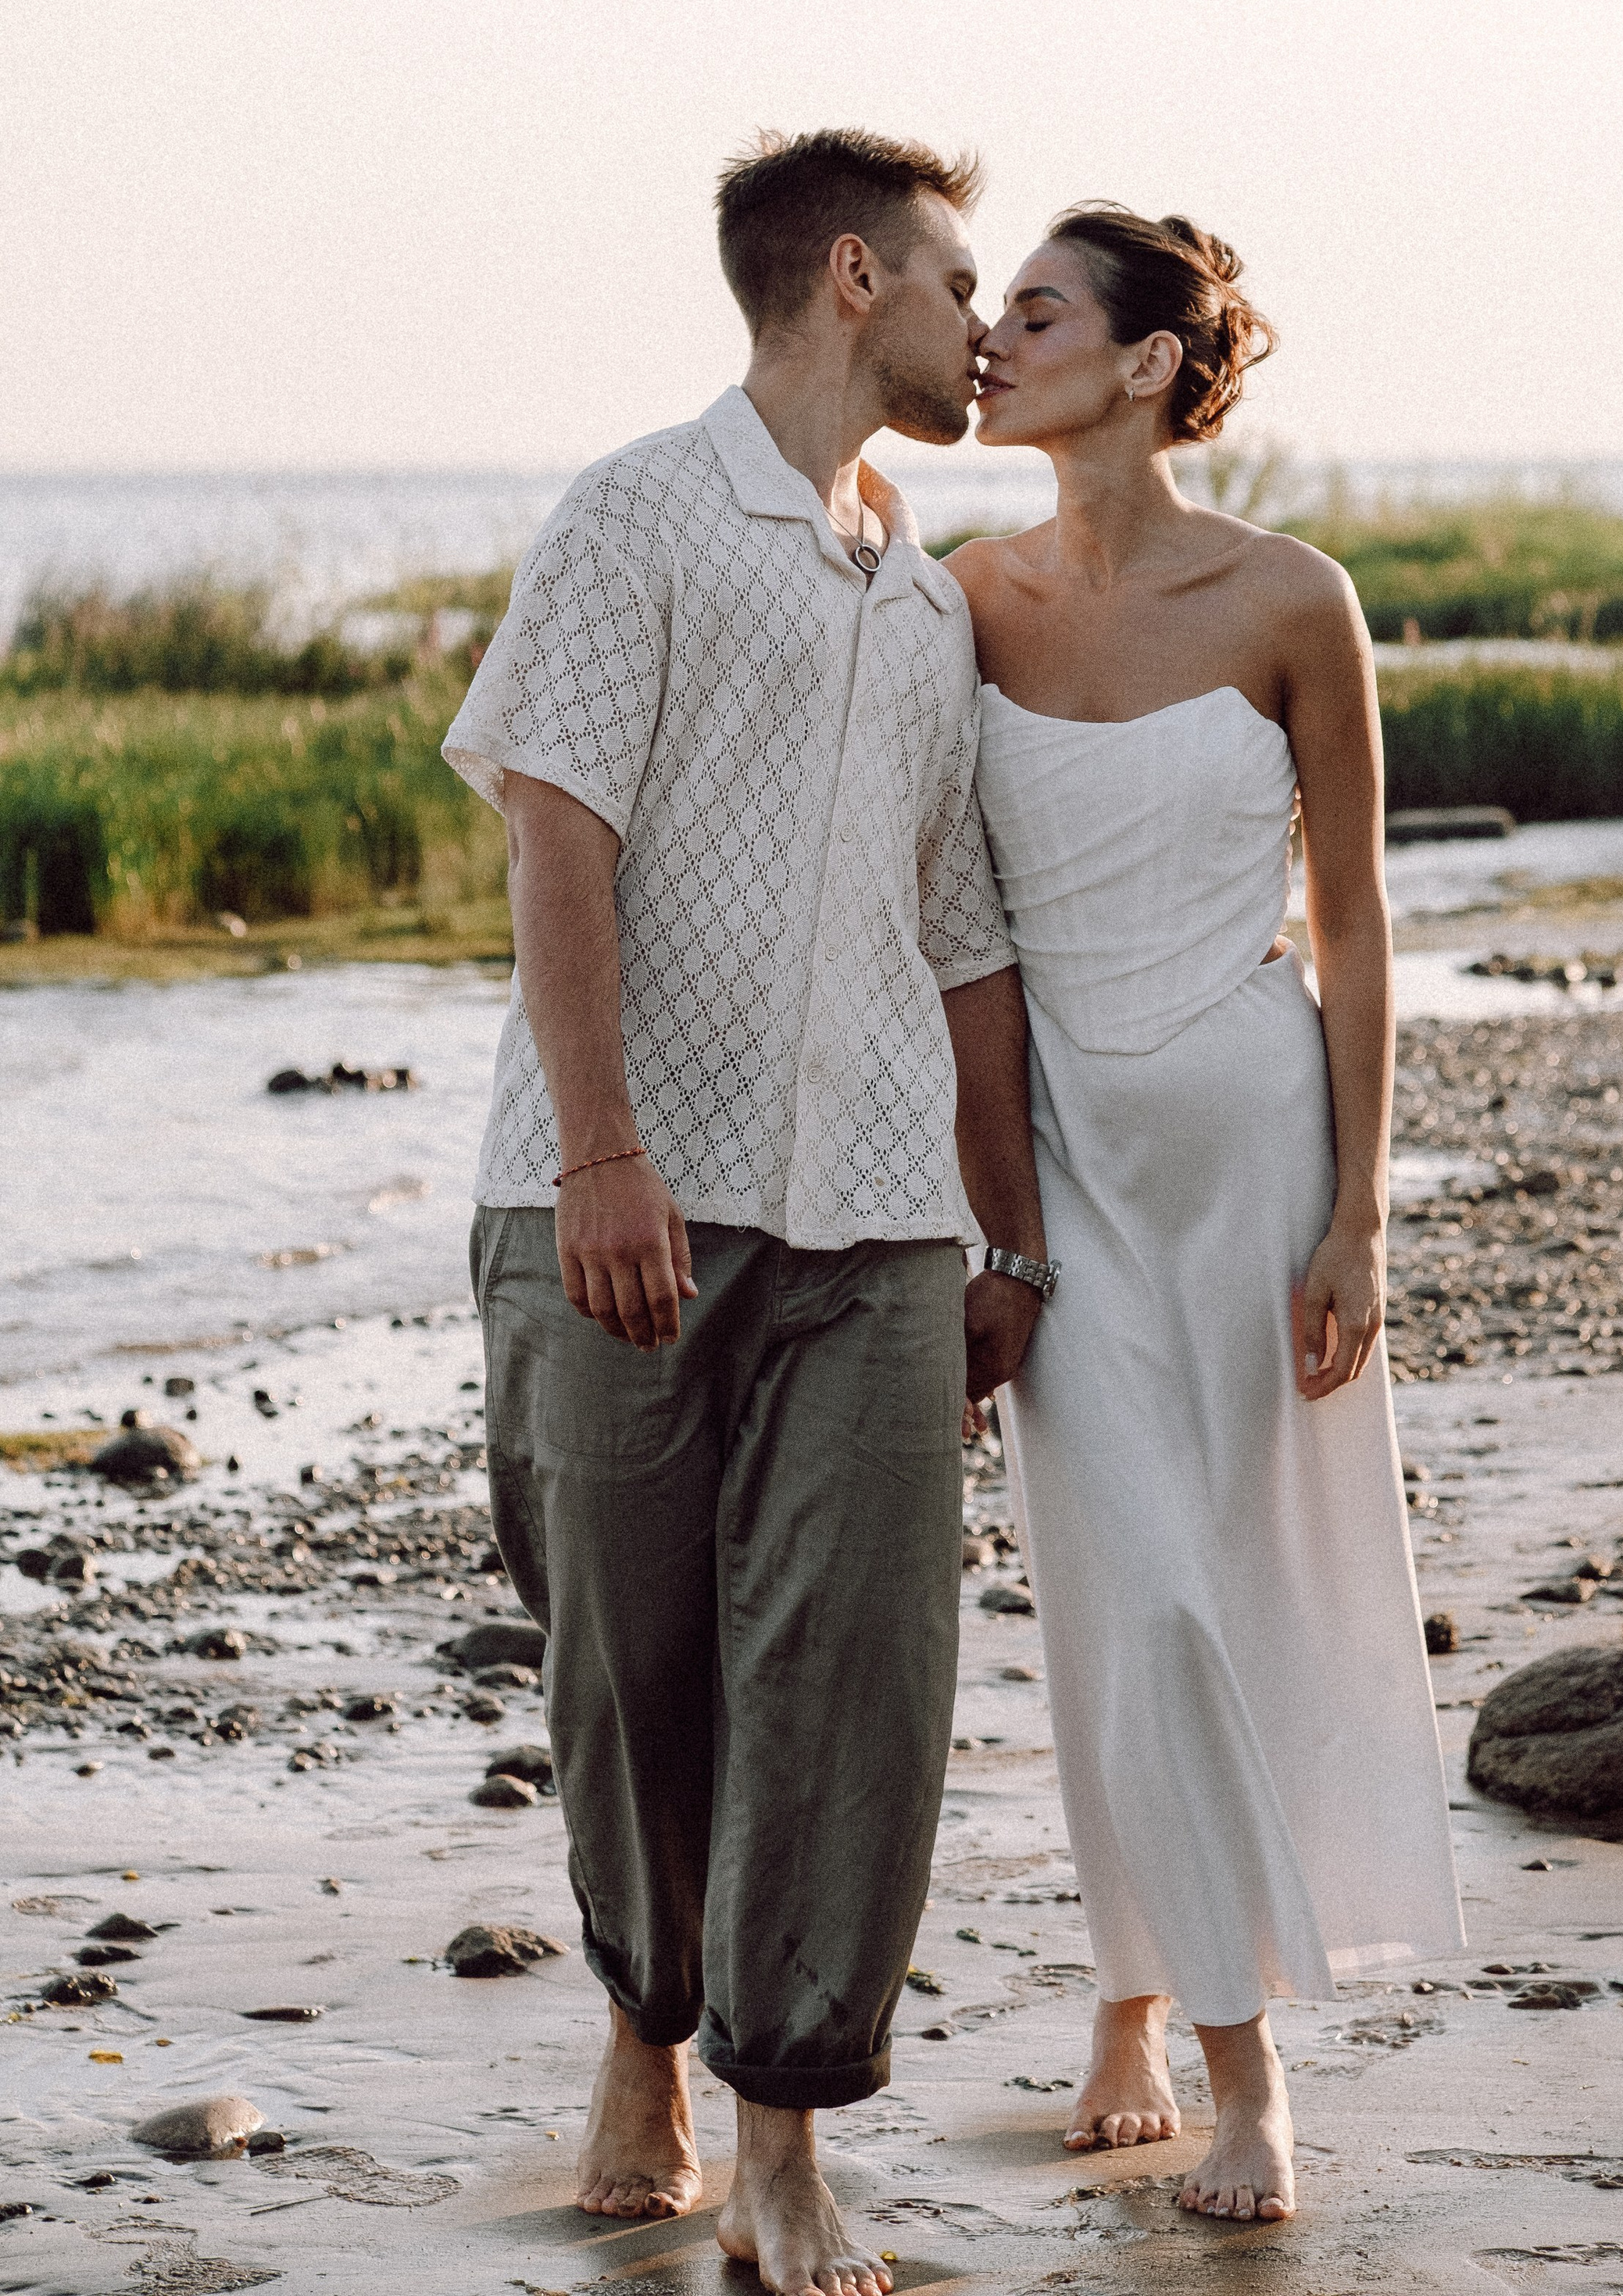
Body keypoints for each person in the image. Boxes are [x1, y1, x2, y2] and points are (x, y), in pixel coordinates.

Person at [442, 131, 1053, 2296]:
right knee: (631, 1659)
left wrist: (1008, 1236)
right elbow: (559, 838)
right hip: (615, 1198)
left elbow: (962, 939)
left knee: (860, 1662)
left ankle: (786, 2129)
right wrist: (605, 1149)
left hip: (877, 1220)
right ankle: (645, 2037)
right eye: (963, 285)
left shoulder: (929, 598)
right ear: (854, 279)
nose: (987, 332)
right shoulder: (635, 516)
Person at [949, 203, 1463, 2227]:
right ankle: (1178, 2017)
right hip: (1058, 1163)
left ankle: (1177, 2024)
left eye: (1037, 311)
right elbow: (956, 927)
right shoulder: (963, 600)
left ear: (1151, 360)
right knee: (1123, 1595)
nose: (993, 339)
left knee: (1225, 1589)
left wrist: (1363, 1217)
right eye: (994, 309)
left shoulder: (1290, 599)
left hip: (1252, 1146)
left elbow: (1355, 919)